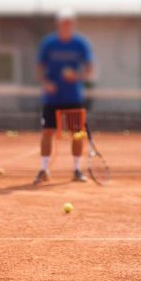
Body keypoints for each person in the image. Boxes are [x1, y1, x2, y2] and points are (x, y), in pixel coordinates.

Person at [34, 10, 94, 185]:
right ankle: (44, 170)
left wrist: (76, 76)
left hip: (73, 97)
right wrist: (45, 83)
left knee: (77, 134)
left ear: (73, 24)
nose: (66, 25)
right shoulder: (49, 43)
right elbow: (39, 68)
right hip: (52, 98)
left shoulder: (80, 44)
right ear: (59, 24)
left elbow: (89, 70)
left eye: (69, 22)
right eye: (63, 22)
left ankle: (77, 170)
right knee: (47, 132)